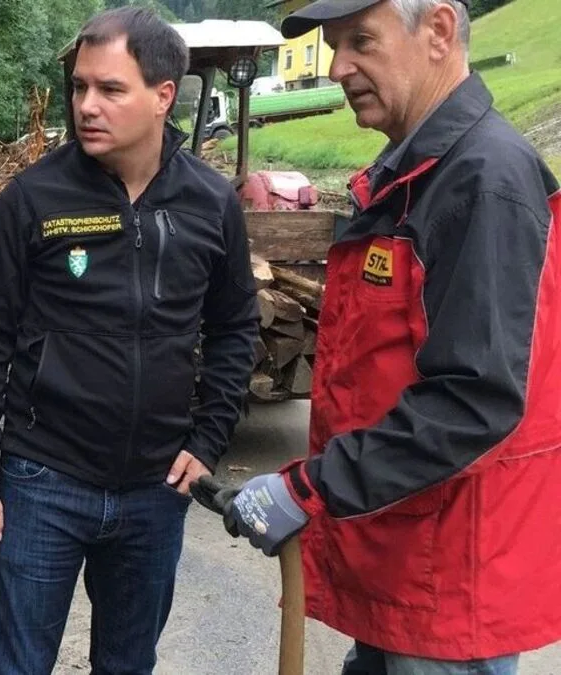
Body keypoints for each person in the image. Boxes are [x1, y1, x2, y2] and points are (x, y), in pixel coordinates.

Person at [216, 1, 561, 673]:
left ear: (436, 31)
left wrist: (309, 488)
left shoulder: (481, 181)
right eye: (334, 45)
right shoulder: (416, 176)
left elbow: (475, 400)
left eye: (361, 42)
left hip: (446, 592)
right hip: (404, 572)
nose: (340, 66)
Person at [0, 7, 260, 673]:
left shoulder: (210, 202)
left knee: (127, 664)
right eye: (80, 87)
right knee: (15, 665)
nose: (87, 105)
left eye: (111, 89)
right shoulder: (33, 199)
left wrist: (207, 439)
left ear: (162, 96)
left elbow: (235, 326)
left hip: (156, 487)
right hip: (42, 479)